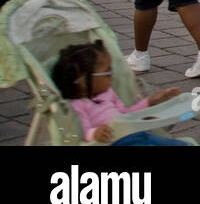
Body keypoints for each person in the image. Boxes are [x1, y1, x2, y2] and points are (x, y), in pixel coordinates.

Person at [53, 41, 188, 146]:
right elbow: (84, 132)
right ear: (83, 81)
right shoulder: (77, 105)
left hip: (136, 134)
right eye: (107, 72)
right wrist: (96, 133)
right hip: (118, 142)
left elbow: (126, 113)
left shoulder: (108, 93)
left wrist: (150, 101)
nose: (111, 75)